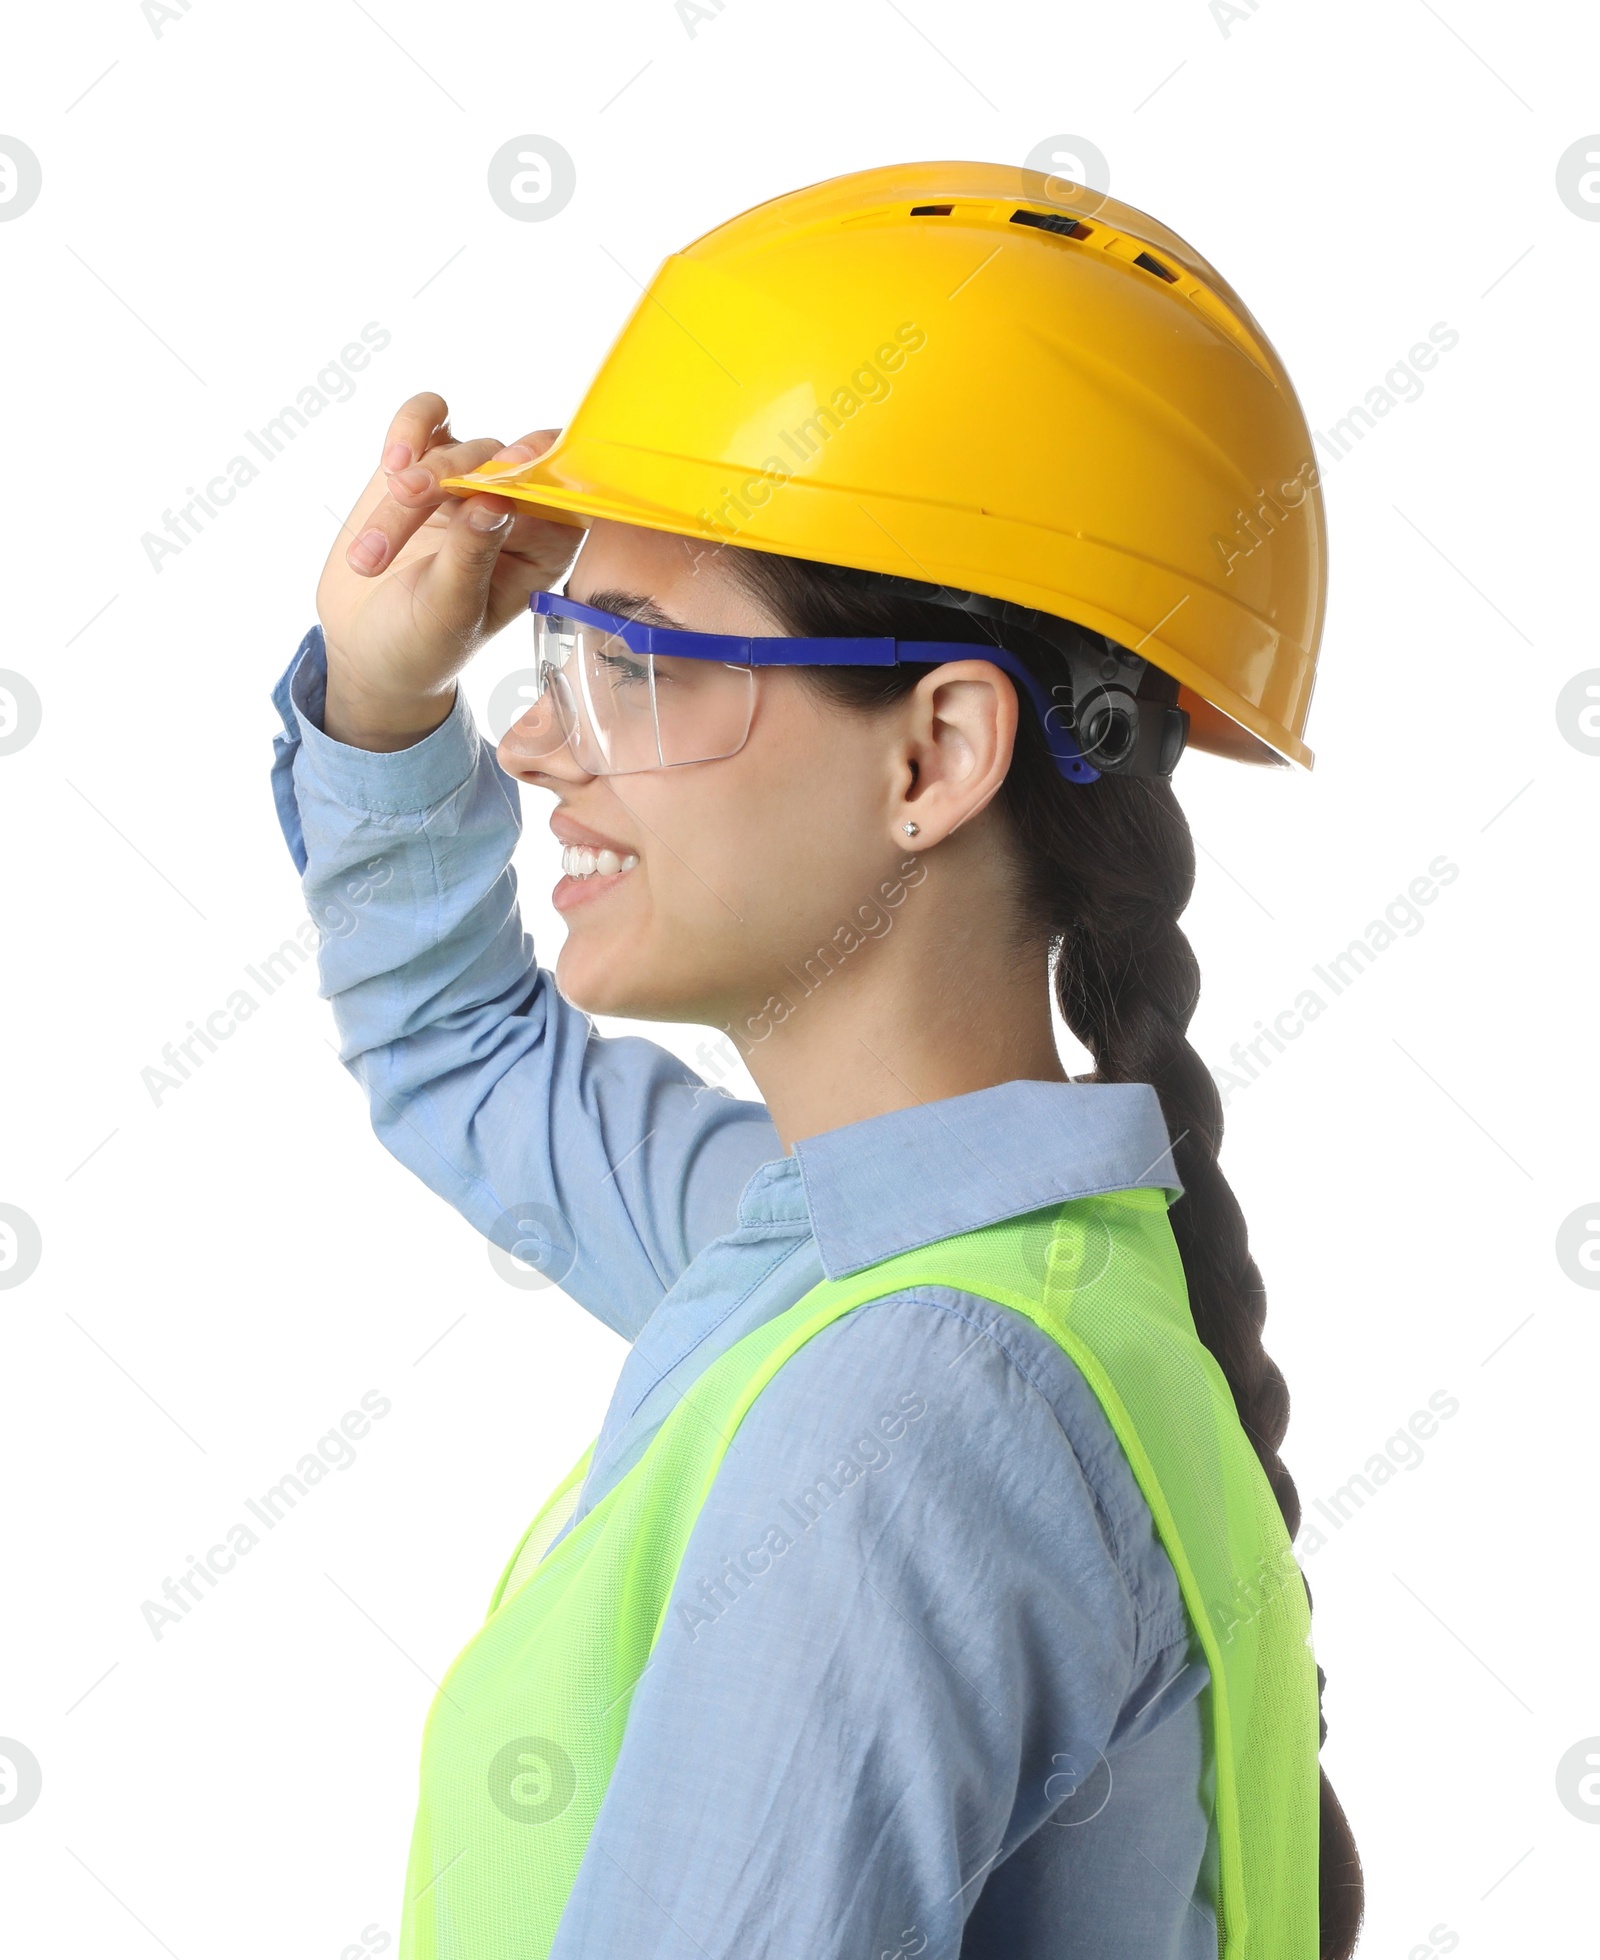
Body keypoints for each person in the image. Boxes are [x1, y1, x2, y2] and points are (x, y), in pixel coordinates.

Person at [269, 162, 1363, 1959]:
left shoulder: (912, 1412)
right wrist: (382, 706)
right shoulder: (863, 1263)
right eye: (554, 651)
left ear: (932, 755)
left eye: (630, 662)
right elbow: (457, 1045)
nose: (538, 742)